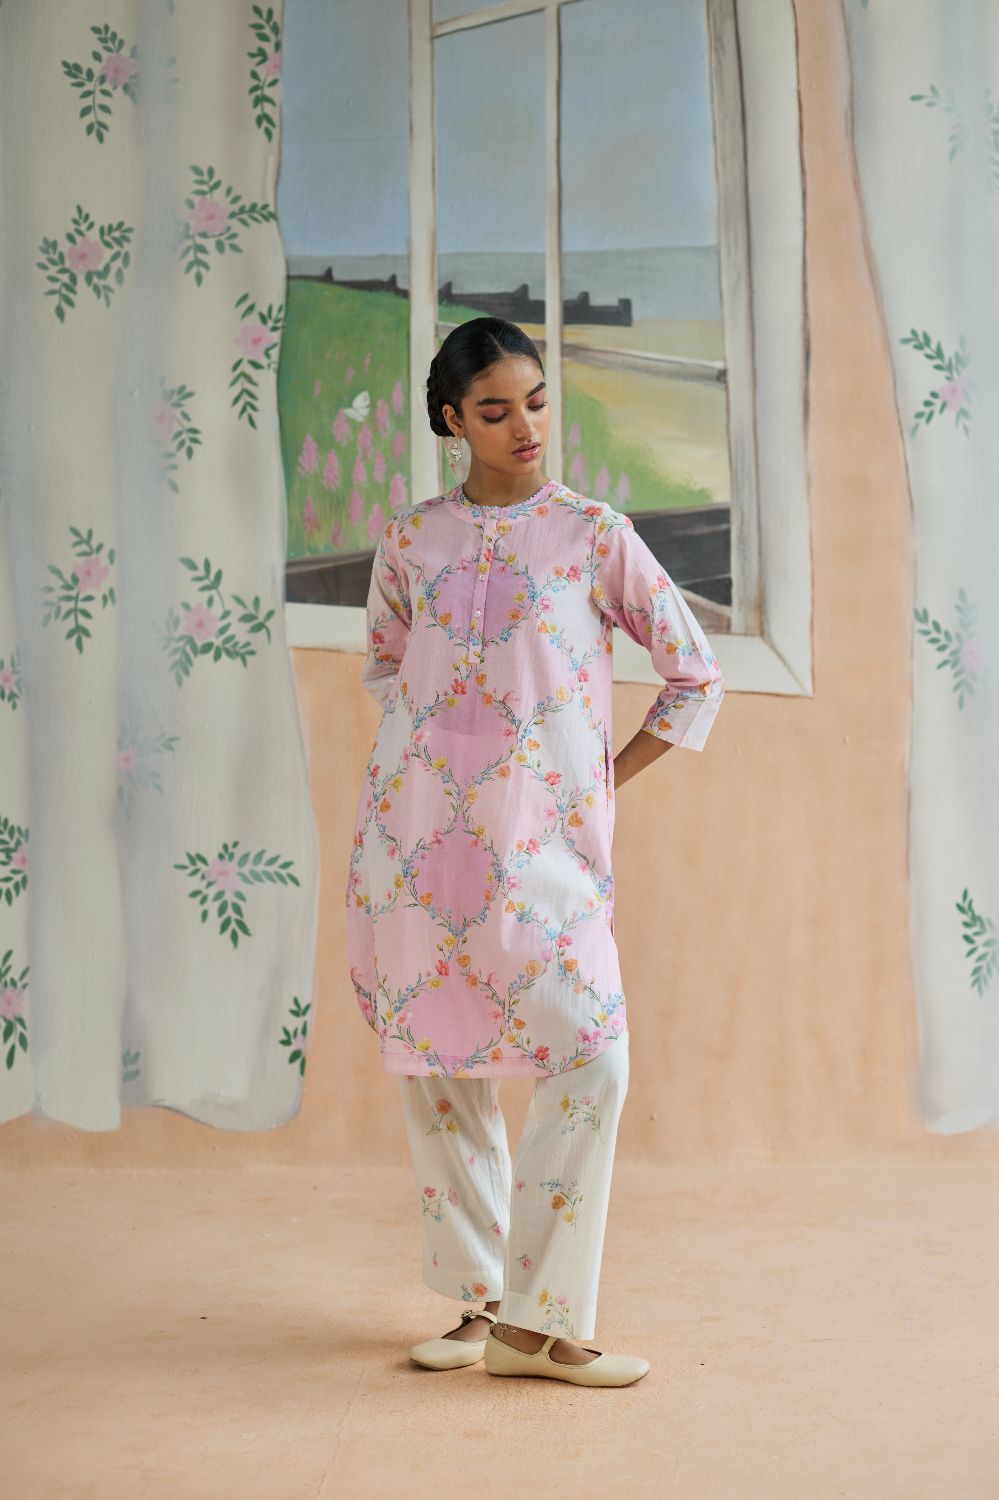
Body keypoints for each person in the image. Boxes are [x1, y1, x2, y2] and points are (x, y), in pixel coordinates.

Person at [345, 316, 724, 1387]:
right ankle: (479, 1302)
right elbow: (387, 671)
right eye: (496, 409)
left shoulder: (594, 535)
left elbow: (692, 674)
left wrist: (591, 780)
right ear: (452, 421)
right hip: (418, 848)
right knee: (439, 1066)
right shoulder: (411, 539)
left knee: (591, 1056)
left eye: (538, 401)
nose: (526, 425)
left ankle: (540, 1323)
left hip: (545, 854)